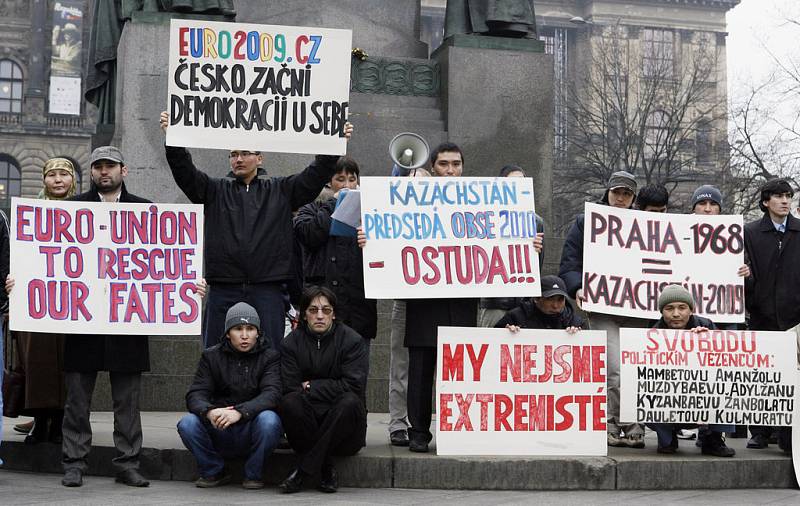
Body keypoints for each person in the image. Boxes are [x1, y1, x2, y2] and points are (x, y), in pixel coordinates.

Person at [160, 111, 353, 349]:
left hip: (268, 288)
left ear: (260, 158)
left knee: (270, 355)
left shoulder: (281, 190)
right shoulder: (214, 190)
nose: (238, 159)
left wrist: (335, 144)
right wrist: (173, 140)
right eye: (233, 155)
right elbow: (184, 172)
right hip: (223, 287)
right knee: (215, 353)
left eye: (244, 153)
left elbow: (314, 175)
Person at [60, 146, 152, 487]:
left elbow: (161, 264)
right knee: (77, 399)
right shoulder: (71, 210)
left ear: (123, 171)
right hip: (82, 317)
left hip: (127, 320)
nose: (103, 172)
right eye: (98, 166)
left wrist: (185, 286)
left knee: (128, 399)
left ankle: (128, 463)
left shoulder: (145, 211)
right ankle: (74, 462)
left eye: (110, 166)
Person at [559, 170, 647, 448]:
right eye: (616, 193)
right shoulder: (586, 224)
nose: (620, 199)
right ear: (607, 193)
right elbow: (569, 263)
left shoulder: (646, 224)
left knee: (635, 369)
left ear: (633, 198)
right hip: (604, 307)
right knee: (613, 368)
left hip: (638, 309)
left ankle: (634, 425)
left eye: (626, 194)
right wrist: (578, 288)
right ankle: (610, 423)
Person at [177, 302, 283, 489]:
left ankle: (253, 474)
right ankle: (213, 471)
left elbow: (272, 394)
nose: (244, 335)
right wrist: (209, 412)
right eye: (238, 329)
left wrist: (240, 412)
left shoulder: (270, 357)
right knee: (187, 424)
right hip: (219, 426)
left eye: (250, 329)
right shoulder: (211, 356)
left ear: (257, 332)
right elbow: (195, 394)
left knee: (270, 420)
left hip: (251, 427)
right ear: (227, 333)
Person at [11, 158, 77, 444]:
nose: (58, 180)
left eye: (64, 174)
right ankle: (40, 420)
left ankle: (61, 420)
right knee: (36, 362)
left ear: (73, 179)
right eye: (52, 175)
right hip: (35, 300)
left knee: (66, 363)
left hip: (72, 301)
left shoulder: (85, 210)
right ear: (44, 180)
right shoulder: (27, 214)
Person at [278, 286, 368, 494]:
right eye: (313, 310)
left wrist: (311, 386)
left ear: (334, 314)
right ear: (303, 314)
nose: (320, 316)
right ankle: (325, 467)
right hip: (305, 427)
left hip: (345, 432)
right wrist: (330, 387)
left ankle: (302, 471)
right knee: (290, 402)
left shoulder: (352, 341)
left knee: (349, 402)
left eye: (326, 310)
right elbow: (290, 387)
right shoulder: (291, 343)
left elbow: (354, 386)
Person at [293, 157, 377, 347]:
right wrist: (335, 204)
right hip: (320, 309)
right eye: (340, 179)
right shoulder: (310, 209)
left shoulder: (370, 214)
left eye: (352, 179)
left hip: (357, 311)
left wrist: (371, 240)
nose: (347, 185)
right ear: (328, 183)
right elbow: (309, 235)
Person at [646, 284, 736, 457]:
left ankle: (712, 438)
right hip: (670, 399)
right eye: (669, 308)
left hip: (703, 396)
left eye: (682, 307)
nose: (676, 314)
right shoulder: (652, 335)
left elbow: (726, 362)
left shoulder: (706, 325)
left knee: (729, 388)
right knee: (648, 396)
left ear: (691, 310)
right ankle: (667, 438)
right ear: (661, 311)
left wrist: (708, 339)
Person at [743, 178, 797, 454]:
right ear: (766, 202)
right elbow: (744, 272)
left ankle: (785, 432)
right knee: (762, 377)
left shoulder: (799, 231)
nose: (785, 201)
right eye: (778, 196)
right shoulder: (750, 232)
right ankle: (760, 431)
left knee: (790, 377)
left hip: (794, 317)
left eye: (788, 195)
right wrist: (748, 282)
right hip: (762, 315)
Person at [385, 167, 430, 447]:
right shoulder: (394, 215)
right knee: (400, 363)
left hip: (436, 299)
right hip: (405, 298)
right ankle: (398, 423)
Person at [478, 165, 545, 328]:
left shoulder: (536, 222)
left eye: (521, 183)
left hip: (523, 304)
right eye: (511, 184)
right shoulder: (485, 217)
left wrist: (534, 250)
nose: (516, 188)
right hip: (494, 303)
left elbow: (538, 268)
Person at [495, 275, 585, 332]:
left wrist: (578, 337)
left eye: (560, 300)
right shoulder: (515, 317)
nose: (555, 305)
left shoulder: (574, 321)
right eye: (550, 299)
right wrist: (506, 334)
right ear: (536, 299)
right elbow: (492, 342)